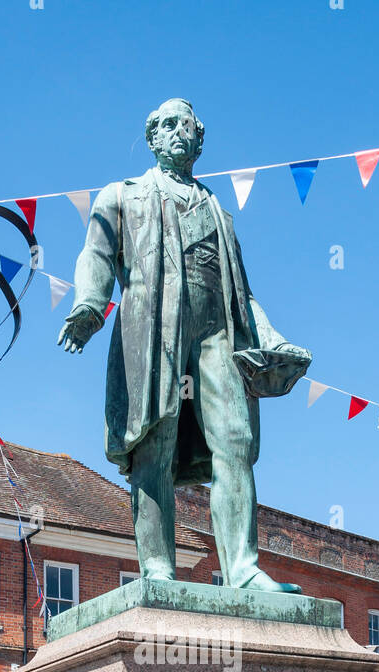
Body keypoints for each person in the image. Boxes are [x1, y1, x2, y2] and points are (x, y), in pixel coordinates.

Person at [58, 98, 310, 591]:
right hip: (153, 328)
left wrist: (274, 339)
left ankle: (242, 569)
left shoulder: (220, 213)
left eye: (186, 126)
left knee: (236, 442)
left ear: (200, 139)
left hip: (219, 332)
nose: (178, 133)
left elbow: (244, 292)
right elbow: (96, 252)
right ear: (152, 139)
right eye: (166, 125)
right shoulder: (121, 195)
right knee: (157, 440)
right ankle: (158, 568)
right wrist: (89, 303)